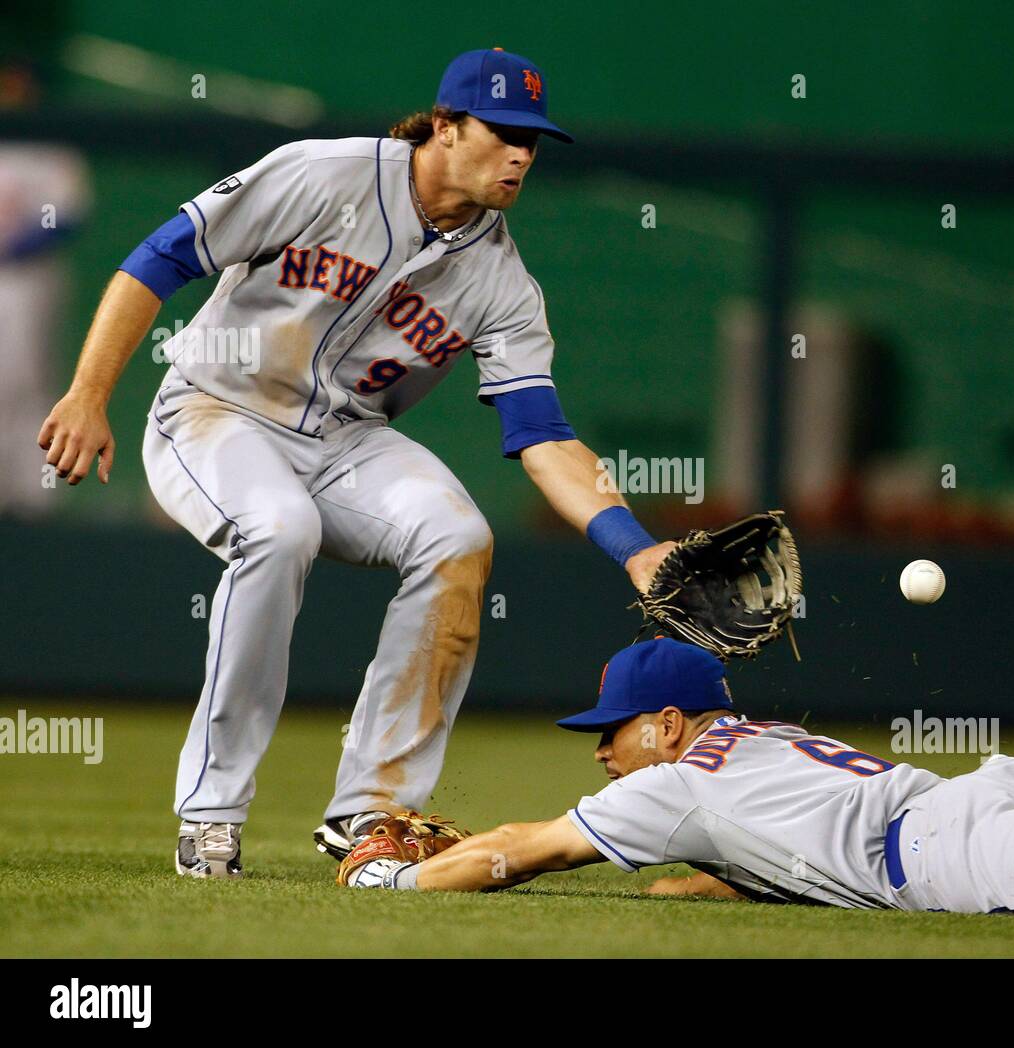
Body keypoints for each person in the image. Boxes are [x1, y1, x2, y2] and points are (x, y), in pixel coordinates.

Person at [36, 47, 673, 878]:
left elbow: (543, 436)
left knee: (457, 537)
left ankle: (371, 811)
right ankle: (212, 812)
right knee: (278, 527)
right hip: (213, 412)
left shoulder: (502, 282)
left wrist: (635, 547)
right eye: (503, 132)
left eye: (534, 139)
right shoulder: (323, 175)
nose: (522, 154)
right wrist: (88, 395)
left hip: (345, 440)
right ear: (445, 127)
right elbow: (161, 257)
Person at [340, 618, 1014, 921]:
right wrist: (696, 886)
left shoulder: (674, 782)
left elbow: (523, 849)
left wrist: (396, 878)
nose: (600, 748)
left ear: (667, 725)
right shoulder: (754, 744)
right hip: (976, 803)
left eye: (615, 729)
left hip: (945, 848)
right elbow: (759, 853)